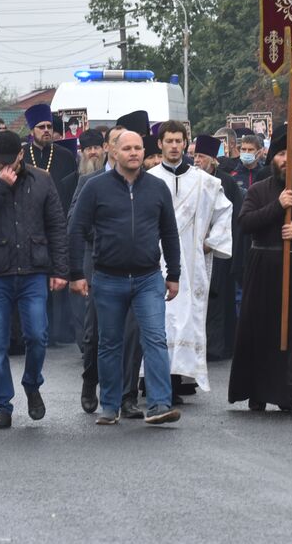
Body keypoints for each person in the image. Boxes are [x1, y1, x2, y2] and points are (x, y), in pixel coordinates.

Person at [68, 128, 183, 426]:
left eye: (138, 148)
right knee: (109, 343)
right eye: (127, 148)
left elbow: (169, 232)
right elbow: (76, 229)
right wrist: (76, 273)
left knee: (155, 339)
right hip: (108, 277)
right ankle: (110, 405)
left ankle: (159, 405)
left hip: (148, 278)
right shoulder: (95, 187)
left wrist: (174, 273)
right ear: (113, 151)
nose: (134, 153)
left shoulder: (157, 188)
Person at [0, 130, 70, 429]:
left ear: (21, 155)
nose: (2, 167)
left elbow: (56, 225)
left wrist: (60, 270)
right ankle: (3, 404)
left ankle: (32, 383)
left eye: (8, 162)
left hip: (33, 270)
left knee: (37, 335)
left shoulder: (42, 179)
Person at [229, 126, 292, 415]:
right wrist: (277, 206)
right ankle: (259, 391)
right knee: (263, 331)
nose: (286, 159)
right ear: (271, 158)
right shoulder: (258, 190)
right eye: (280, 154)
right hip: (264, 268)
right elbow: (245, 223)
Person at [149, 122, 232, 402]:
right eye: (169, 141)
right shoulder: (148, 179)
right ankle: (153, 379)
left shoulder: (205, 182)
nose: (174, 146)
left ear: (186, 144)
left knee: (185, 319)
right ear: (160, 144)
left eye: (178, 141)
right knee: (157, 319)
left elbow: (224, 211)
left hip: (191, 262)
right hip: (153, 260)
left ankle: (177, 378)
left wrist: (211, 242)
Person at [193, 134, 243, 364]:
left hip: (219, 249)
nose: (197, 160)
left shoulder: (227, 183)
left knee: (219, 298)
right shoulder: (191, 179)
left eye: (201, 156)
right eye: (195, 156)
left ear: (213, 159)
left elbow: (233, 218)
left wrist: (215, 241)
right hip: (195, 248)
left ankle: (218, 347)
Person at [20, 104, 79, 211]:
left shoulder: (66, 156)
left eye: (49, 126)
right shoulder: (21, 155)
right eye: (41, 127)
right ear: (32, 131)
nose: (46, 130)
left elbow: (72, 191)